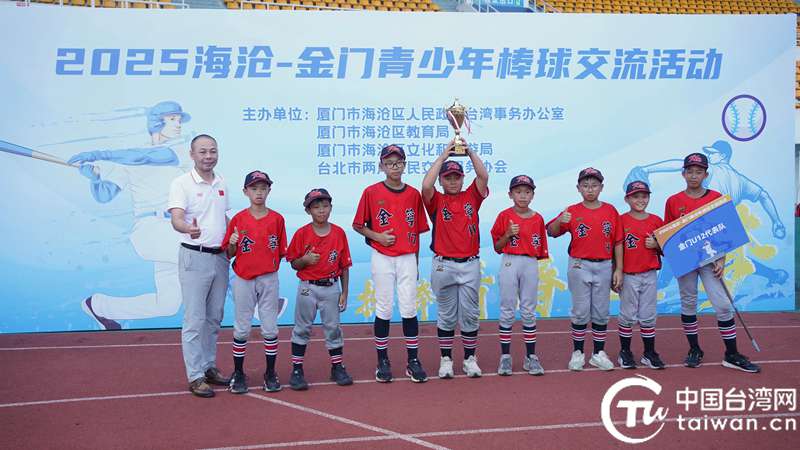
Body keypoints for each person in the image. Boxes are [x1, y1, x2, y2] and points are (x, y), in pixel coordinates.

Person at [72, 101, 192, 329]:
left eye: (179, 120)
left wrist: (99, 154)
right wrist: (95, 178)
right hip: (151, 229)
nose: (178, 124)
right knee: (209, 257)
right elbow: (105, 195)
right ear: (156, 122)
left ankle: (100, 306)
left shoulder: (179, 149)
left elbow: (145, 157)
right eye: (172, 119)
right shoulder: (128, 158)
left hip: (176, 230)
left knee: (167, 305)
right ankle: (257, 309)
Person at [664, 153, 760, 372]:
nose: (694, 176)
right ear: (683, 174)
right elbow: (669, 235)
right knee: (689, 303)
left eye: (699, 172)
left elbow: (725, 230)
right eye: (690, 171)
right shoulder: (673, 201)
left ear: (706, 174)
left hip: (710, 258)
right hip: (686, 260)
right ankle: (695, 349)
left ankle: (731, 354)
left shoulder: (716, 198)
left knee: (723, 305)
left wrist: (721, 258)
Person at [352, 145, 430, 383]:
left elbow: (416, 231)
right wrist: (378, 236)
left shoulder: (413, 194)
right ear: (381, 166)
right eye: (389, 163)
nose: (394, 167)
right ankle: (382, 360)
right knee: (384, 308)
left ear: (405, 165)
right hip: (382, 256)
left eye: (398, 162)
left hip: (407, 257)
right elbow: (358, 225)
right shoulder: (371, 192)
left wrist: (416, 262)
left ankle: (413, 360)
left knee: (409, 308)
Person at [167, 134, 230, 398]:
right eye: (202, 151)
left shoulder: (221, 182)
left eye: (212, 151)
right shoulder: (181, 183)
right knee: (195, 319)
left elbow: (223, 218)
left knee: (214, 317)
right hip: (195, 256)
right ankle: (195, 375)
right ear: (192, 154)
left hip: (220, 258)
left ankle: (208, 366)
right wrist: (187, 228)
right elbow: (176, 218)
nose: (208, 156)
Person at [421, 141, 489, 379]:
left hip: (470, 264)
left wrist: (469, 152)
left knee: (470, 314)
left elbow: (483, 176)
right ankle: (446, 359)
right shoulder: (436, 201)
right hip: (444, 264)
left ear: (462, 179)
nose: (452, 181)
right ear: (441, 180)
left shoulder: (472, 197)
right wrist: (442, 156)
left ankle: (470, 359)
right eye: (447, 178)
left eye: (456, 177)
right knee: (447, 314)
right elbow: (426, 186)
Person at [546, 168, 622, 372]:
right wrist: (559, 221)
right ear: (578, 188)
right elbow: (551, 232)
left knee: (601, 311)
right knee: (580, 311)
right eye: (585, 186)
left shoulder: (610, 211)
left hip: (604, 264)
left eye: (594, 185)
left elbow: (618, 241)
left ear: (601, 188)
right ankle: (578, 353)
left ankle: (598, 353)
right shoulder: (572, 210)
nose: (590, 189)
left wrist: (618, 269)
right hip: (579, 265)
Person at [223, 170, 287, 394]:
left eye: (263, 188)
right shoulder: (239, 219)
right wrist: (233, 242)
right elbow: (229, 252)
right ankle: (238, 372)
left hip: (268, 278)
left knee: (269, 327)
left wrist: (267, 267)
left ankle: (270, 372)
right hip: (243, 277)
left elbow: (280, 251)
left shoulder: (277, 219)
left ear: (269, 190)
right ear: (245, 191)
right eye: (254, 188)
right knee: (242, 327)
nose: (259, 193)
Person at [287, 188, 353, 390]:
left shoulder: (339, 233)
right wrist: (305, 260)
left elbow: (344, 266)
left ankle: (337, 367)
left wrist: (344, 292)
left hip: (331, 287)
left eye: (325, 206)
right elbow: (293, 263)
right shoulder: (302, 233)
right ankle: (297, 370)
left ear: (331, 207)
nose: (321, 210)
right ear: (308, 211)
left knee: (333, 328)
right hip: (308, 287)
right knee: (302, 328)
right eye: (316, 207)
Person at [490, 175, 549, 376]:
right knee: (507, 308)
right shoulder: (504, 216)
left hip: (529, 262)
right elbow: (497, 247)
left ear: (533, 195)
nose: (523, 196)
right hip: (510, 260)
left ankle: (531, 356)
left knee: (528, 309)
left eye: (527, 192)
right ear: (510, 194)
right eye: (518, 192)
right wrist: (507, 234)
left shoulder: (538, 218)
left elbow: (540, 249)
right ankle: (505, 356)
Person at [617, 181, 665, 370]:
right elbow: (615, 248)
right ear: (627, 199)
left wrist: (657, 245)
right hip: (629, 274)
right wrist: (616, 271)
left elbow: (668, 248)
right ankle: (625, 351)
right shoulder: (621, 220)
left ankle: (649, 353)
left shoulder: (656, 220)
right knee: (627, 315)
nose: (640, 200)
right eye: (635, 196)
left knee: (648, 315)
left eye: (644, 196)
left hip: (650, 273)